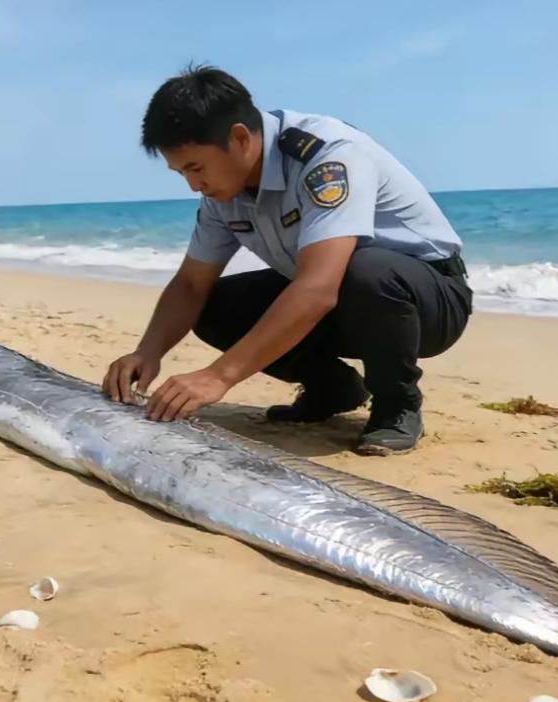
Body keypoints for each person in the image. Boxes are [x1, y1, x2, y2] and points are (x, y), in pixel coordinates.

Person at [102, 64, 473, 455]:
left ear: (240, 138)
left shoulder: (327, 156)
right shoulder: (221, 194)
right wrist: (147, 352)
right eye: (181, 173)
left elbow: (317, 288)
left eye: (196, 167)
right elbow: (192, 283)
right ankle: (333, 388)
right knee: (213, 305)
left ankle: (397, 406)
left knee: (364, 271)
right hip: (338, 299)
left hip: (427, 300)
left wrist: (219, 376)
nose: (194, 184)